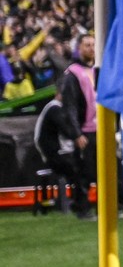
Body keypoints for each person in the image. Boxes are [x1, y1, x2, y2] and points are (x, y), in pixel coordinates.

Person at [34, 91, 93, 219]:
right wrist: (77, 137)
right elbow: (65, 128)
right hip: (53, 155)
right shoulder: (55, 108)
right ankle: (82, 210)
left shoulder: (51, 108)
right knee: (80, 174)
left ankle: (79, 205)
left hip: (51, 154)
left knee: (80, 171)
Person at [59, 34, 97, 217]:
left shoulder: (97, 70)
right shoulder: (73, 73)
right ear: (79, 48)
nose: (91, 48)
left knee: (104, 170)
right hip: (84, 131)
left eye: (93, 45)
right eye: (87, 45)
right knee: (84, 172)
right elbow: (70, 106)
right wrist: (76, 133)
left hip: (100, 129)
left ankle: (109, 205)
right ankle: (82, 208)